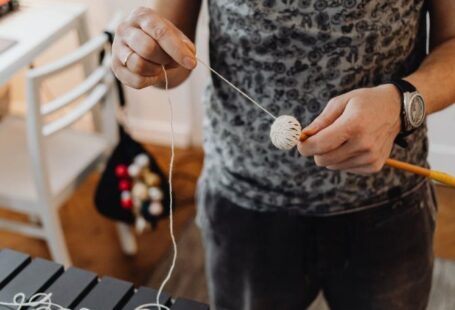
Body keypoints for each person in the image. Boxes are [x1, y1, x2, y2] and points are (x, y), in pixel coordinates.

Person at [111, 1, 455, 309]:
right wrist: (144, 53)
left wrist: (401, 104)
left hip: (389, 204)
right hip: (244, 204)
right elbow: (174, 59)